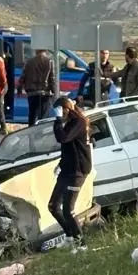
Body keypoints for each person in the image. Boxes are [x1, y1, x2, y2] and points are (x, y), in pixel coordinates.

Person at [49, 95, 92, 251]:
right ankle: (69, 236)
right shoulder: (70, 123)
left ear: (66, 109)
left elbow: (63, 138)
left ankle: (82, 245)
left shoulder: (79, 122)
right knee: (53, 206)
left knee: (68, 210)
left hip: (78, 171)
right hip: (67, 169)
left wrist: (58, 120)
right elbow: (67, 147)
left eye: (61, 111)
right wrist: (60, 164)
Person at [21, 48, 57, 125]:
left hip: (32, 93)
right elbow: (52, 79)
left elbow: (23, 76)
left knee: (32, 115)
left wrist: (19, 88)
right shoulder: (49, 61)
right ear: (46, 51)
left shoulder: (29, 62)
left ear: (36, 51)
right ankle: (41, 134)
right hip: (45, 93)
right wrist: (54, 92)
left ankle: (31, 133)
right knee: (43, 117)